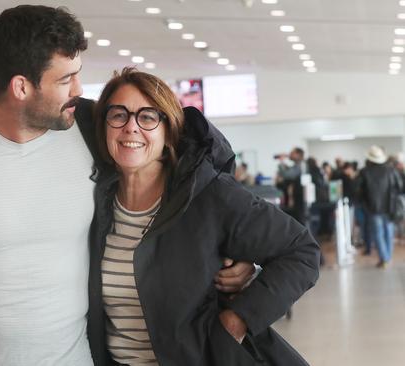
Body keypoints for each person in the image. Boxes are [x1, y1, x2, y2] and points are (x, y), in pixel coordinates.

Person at [0, 5, 254, 365]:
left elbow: (193, 168)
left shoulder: (95, 127)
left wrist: (232, 251)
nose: (78, 87)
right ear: (21, 87)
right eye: (65, 79)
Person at [88, 68, 320, 365]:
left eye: (147, 117)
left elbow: (301, 251)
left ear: (168, 132)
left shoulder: (210, 195)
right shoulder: (96, 203)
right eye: (118, 115)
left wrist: (238, 319)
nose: (131, 127)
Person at [357, 146, 402, 268]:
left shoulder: (364, 172)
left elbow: (359, 191)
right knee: (389, 233)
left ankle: (385, 258)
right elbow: (399, 187)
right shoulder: (391, 170)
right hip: (390, 207)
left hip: (373, 208)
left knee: (378, 234)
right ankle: (387, 257)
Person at [275, 147, 306, 224]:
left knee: (299, 220)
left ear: (298, 154)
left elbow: (287, 175)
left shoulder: (300, 165)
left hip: (299, 199)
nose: (290, 155)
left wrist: (281, 162)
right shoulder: (298, 165)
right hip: (298, 198)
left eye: (292, 153)